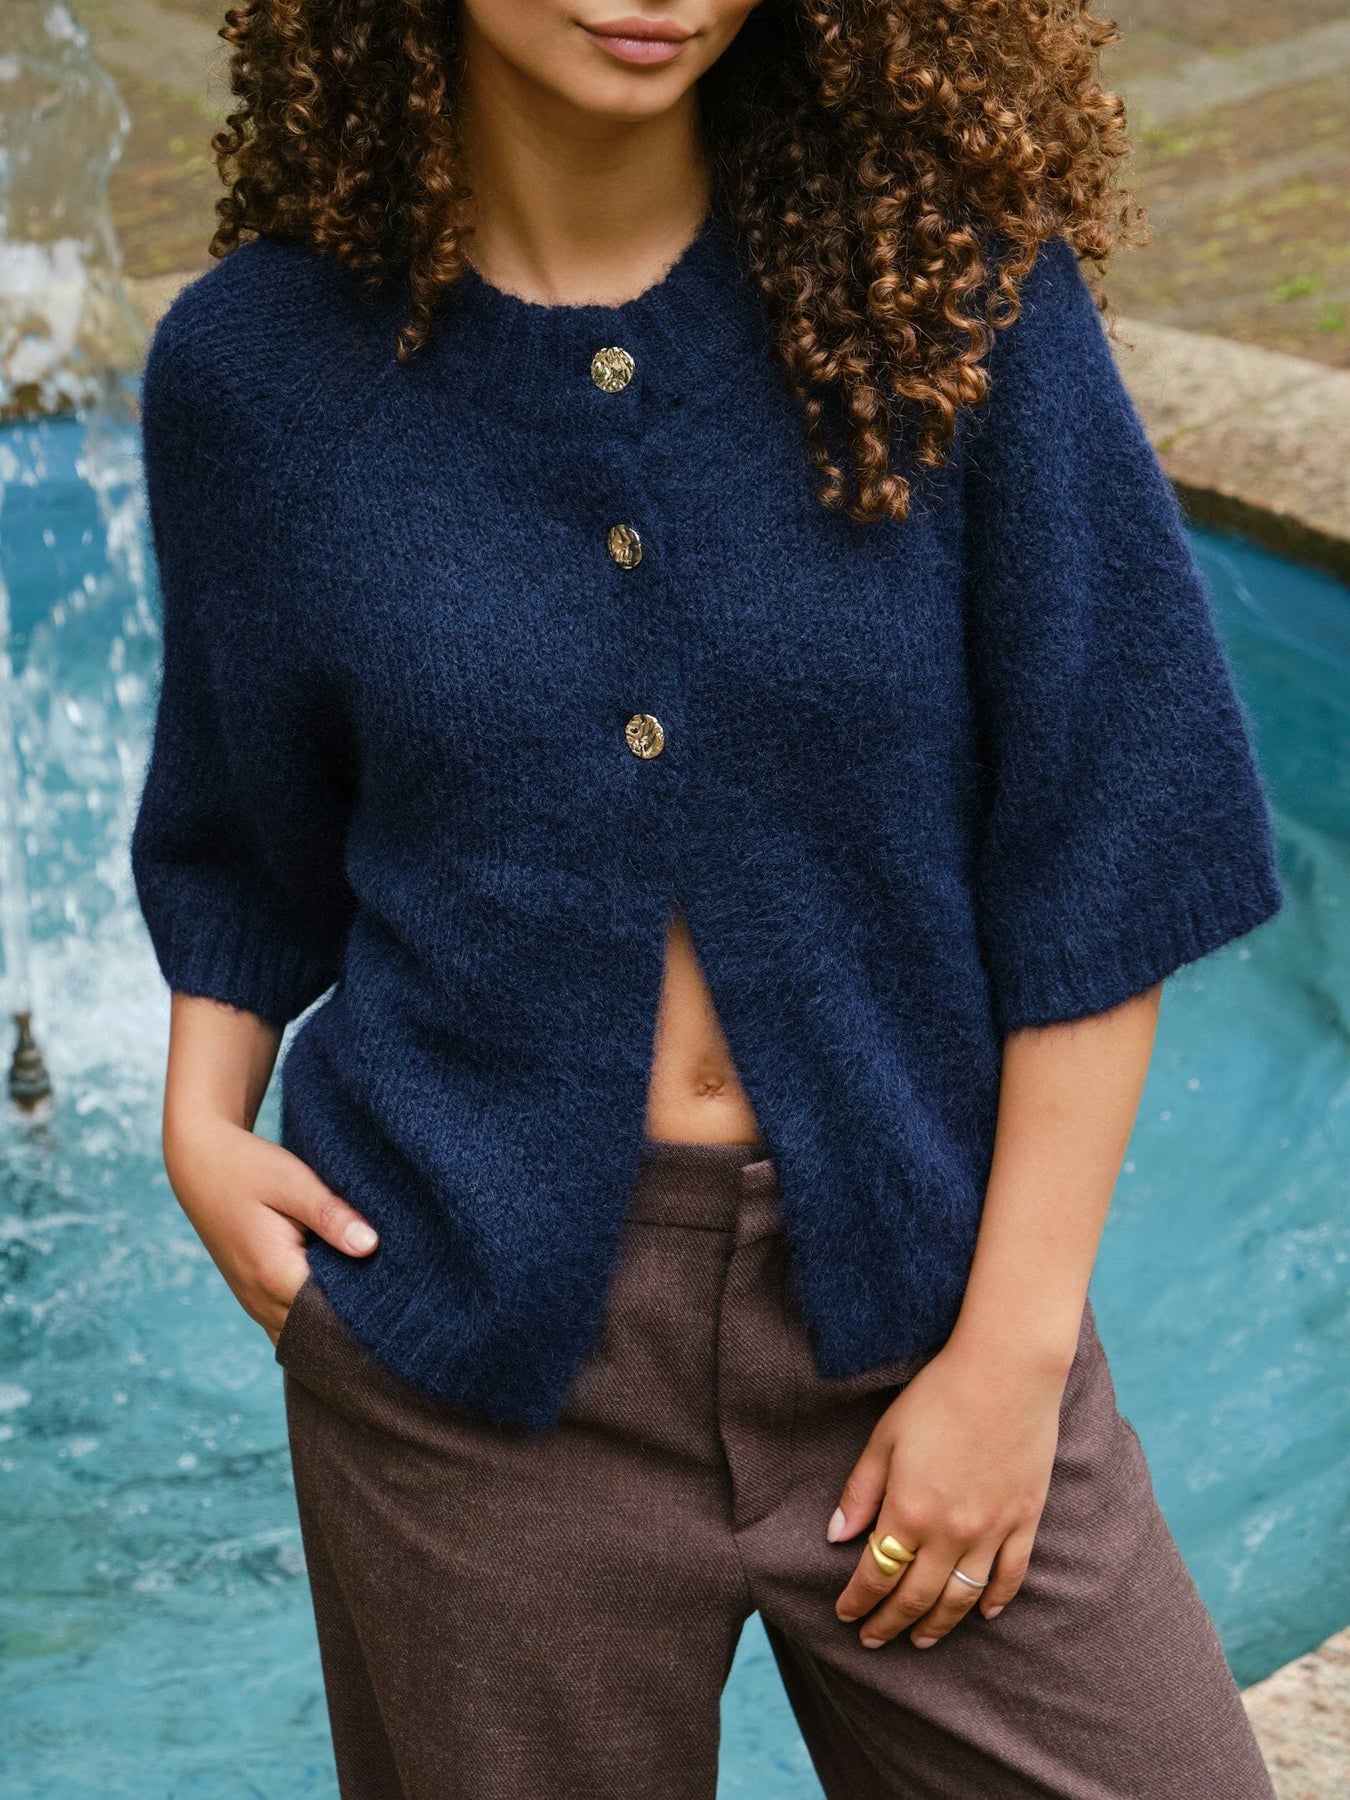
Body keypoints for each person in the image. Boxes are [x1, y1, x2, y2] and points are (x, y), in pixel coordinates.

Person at [129, 2, 1285, 1795]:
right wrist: (201, 1129)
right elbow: (241, 819)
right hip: (468, 1355)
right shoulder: (255, 372)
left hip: (923, 1308)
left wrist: (1012, 1354)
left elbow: (1109, 829)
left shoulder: (949, 294)